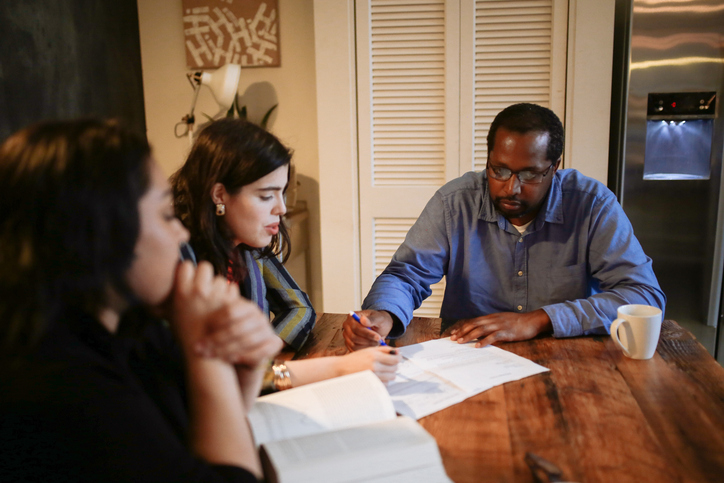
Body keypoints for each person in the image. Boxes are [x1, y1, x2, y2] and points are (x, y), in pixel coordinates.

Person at [0, 119, 282, 482]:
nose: (179, 231)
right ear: (104, 233)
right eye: (166, 215)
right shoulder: (60, 381)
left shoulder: (132, 327)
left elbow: (204, 433)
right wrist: (206, 349)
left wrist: (242, 369)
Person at [343, 103, 666, 350]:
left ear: (555, 167)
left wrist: (539, 320)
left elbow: (643, 295)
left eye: (528, 174)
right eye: (499, 170)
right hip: (469, 356)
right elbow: (406, 275)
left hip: (568, 357)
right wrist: (385, 314)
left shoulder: (592, 204)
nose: (511, 187)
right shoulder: (454, 202)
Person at [172, 118, 399, 389]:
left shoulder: (246, 248)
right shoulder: (179, 263)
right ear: (219, 194)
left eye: (282, 193)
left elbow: (299, 307)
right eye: (267, 196)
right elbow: (220, 381)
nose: (281, 208)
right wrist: (335, 367)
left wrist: (262, 352)